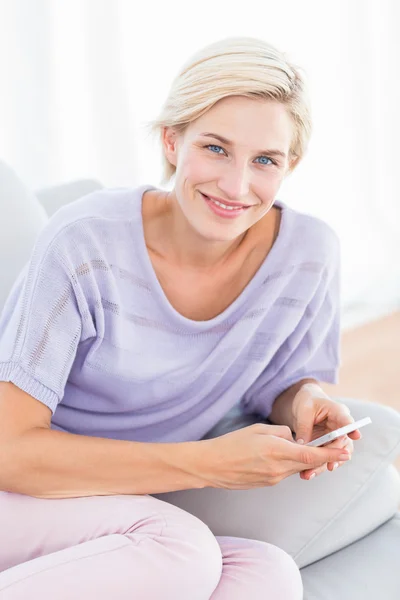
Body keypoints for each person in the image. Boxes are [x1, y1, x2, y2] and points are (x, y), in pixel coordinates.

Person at [0, 36, 361, 599]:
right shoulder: (84, 243)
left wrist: (304, 400)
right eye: (215, 148)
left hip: (128, 504)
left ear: (290, 165)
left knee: (267, 575)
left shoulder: (308, 255)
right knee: (180, 548)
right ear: (172, 141)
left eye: (264, 159)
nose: (237, 186)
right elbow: (11, 451)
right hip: (27, 491)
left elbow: (280, 381)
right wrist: (205, 464)